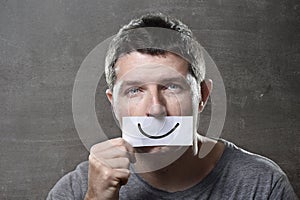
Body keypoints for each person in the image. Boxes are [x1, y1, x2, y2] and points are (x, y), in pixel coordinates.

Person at [47, 13, 297, 200]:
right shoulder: (76, 190)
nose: (156, 108)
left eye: (172, 87)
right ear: (114, 103)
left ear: (202, 96)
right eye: (135, 90)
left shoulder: (262, 185)